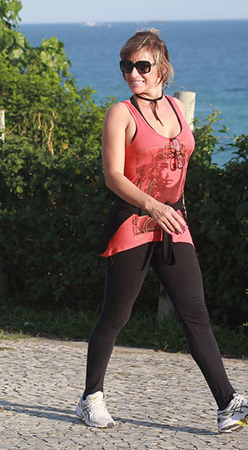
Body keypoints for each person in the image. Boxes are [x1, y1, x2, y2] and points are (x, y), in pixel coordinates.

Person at [75, 29, 248, 433]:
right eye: (126, 66)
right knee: (116, 315)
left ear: (161, 68)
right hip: (133, 222)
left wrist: (174, 209)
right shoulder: (121, 113)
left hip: (173, 222)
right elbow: (113, 176)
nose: (132, 73)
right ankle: (90, 398)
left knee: (196, 313)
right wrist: (152, 205)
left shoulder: (176, 108)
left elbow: (180, 165)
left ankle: (227, 403)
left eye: (141, 66)